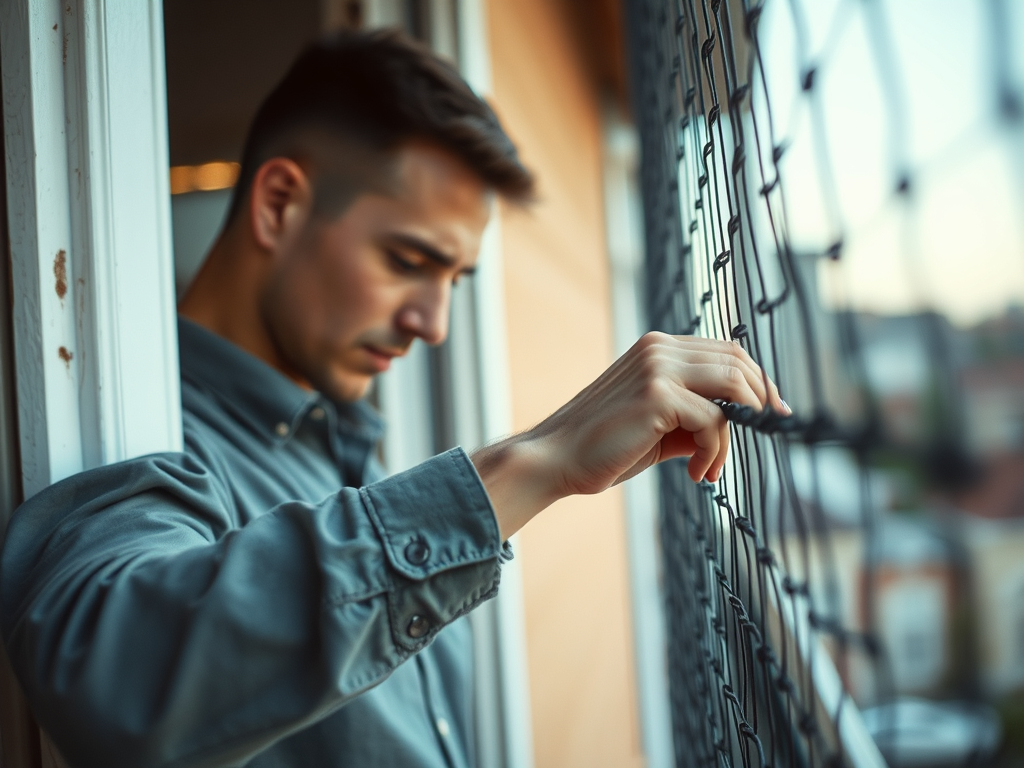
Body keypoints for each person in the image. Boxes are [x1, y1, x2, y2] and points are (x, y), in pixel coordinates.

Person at [0, 29, 784, 768]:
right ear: (279, 205)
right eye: (408, 259)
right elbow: (106, 676)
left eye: (453, 279)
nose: (433, 324)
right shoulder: (151, 429)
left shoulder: (342, 452)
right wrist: (529, 465)